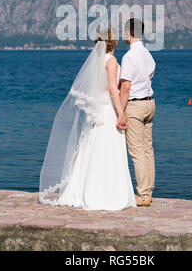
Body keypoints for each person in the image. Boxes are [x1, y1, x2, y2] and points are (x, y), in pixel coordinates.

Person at [39, 28, 136, 211]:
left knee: (93, 145)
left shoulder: (97, 62)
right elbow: (112, 89)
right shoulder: (112, 61)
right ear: (113, 43)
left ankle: (85, 187)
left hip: (98, 108)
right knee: (108, 146)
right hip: (107, 109)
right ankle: (106, 192)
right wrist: (120, 112)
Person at [119, 18, 156, 207]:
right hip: (150, 104)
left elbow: (125, 86)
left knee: (137, 152)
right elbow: (149, 76)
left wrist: (120, 112)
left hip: (134, 105)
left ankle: (142, 195)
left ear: (128, 33)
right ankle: (148, 191)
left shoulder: (129, 57)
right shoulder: (148, 54)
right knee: (148, 149)